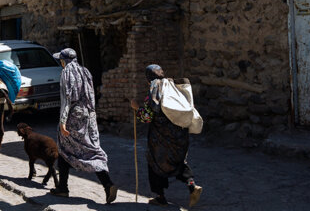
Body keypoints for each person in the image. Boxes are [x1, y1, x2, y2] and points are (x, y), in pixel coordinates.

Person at [51, 48, 117, 204]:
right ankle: (64, 187)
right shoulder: (84, 71)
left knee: (69, 148)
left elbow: (67, 99)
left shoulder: (66, 73)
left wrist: (62, 122)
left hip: (73, 117)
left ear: (63, 61)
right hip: (88, 115)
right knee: (83, 149)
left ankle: (65, 188)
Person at [131, 64, 202, 207]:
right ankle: (192, 186)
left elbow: (146, 117)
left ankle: (160, 197)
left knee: (155, 163)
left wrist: (136, 107)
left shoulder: (155, 90)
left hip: (160, 139)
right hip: (180, 136)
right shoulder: (173, 86)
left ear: (148, 78)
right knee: (178, 162)